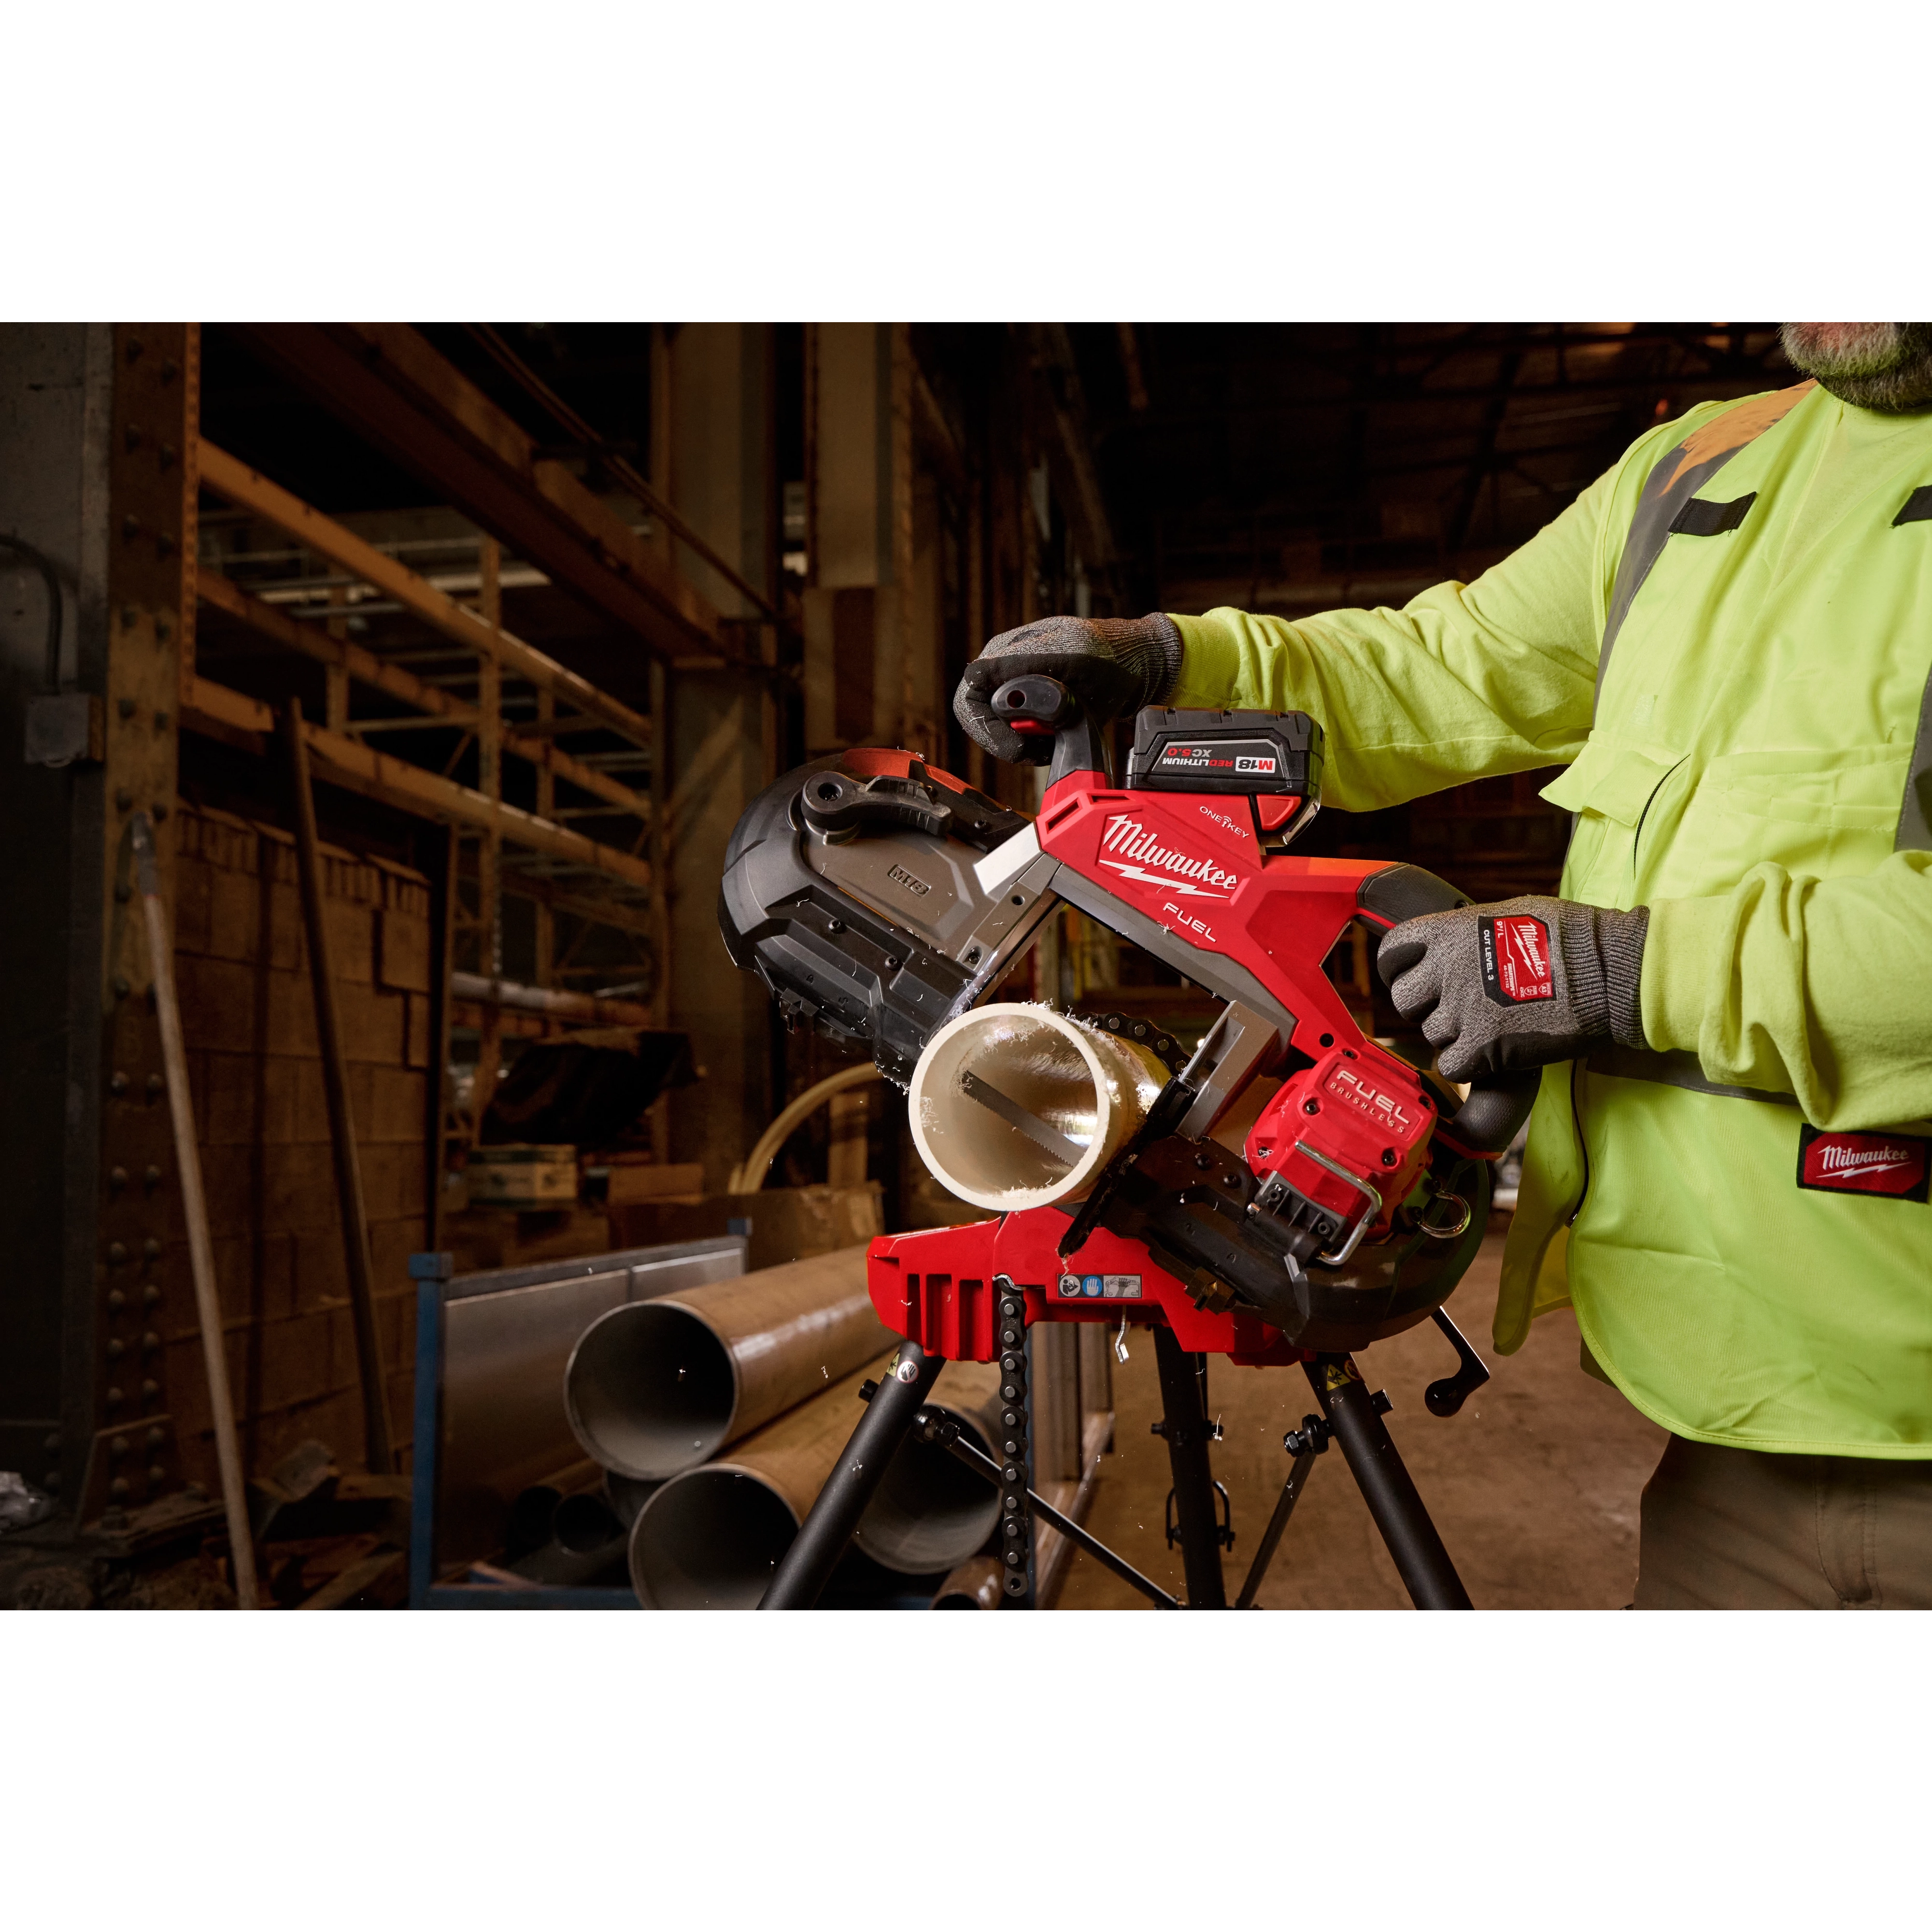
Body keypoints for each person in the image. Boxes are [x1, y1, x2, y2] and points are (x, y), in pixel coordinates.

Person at [954, 322, 1932, 1610]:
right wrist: (1177, 663)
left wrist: (1629, 972)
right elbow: (1450, 667)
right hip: (1735, 1421)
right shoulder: (1706, 464)